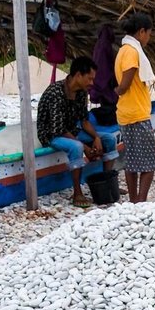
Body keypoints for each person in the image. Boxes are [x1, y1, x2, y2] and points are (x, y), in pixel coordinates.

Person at [37, 56, 119, 208]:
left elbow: (84, 121)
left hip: (72, 130)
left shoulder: (81, 92)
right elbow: (58, 130)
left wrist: (96, 138)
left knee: (109, 139)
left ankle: (108, 181)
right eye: (89, 78)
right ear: (78, 75)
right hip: (51, 134)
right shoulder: (56, 92)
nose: (92, 83)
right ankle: (77, 193)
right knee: (77, 147)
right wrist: (86, 148)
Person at [114, 12, 155, 203]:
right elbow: (125, 84)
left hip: (126, 113)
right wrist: (117, 89)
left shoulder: (123, 50)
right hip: (136, 114)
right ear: (141, 32)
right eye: (148, 33)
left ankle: (133, 202)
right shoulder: (132, 52)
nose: (148, 38)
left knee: (131, 162)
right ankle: (140, 202)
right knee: (149, 164)